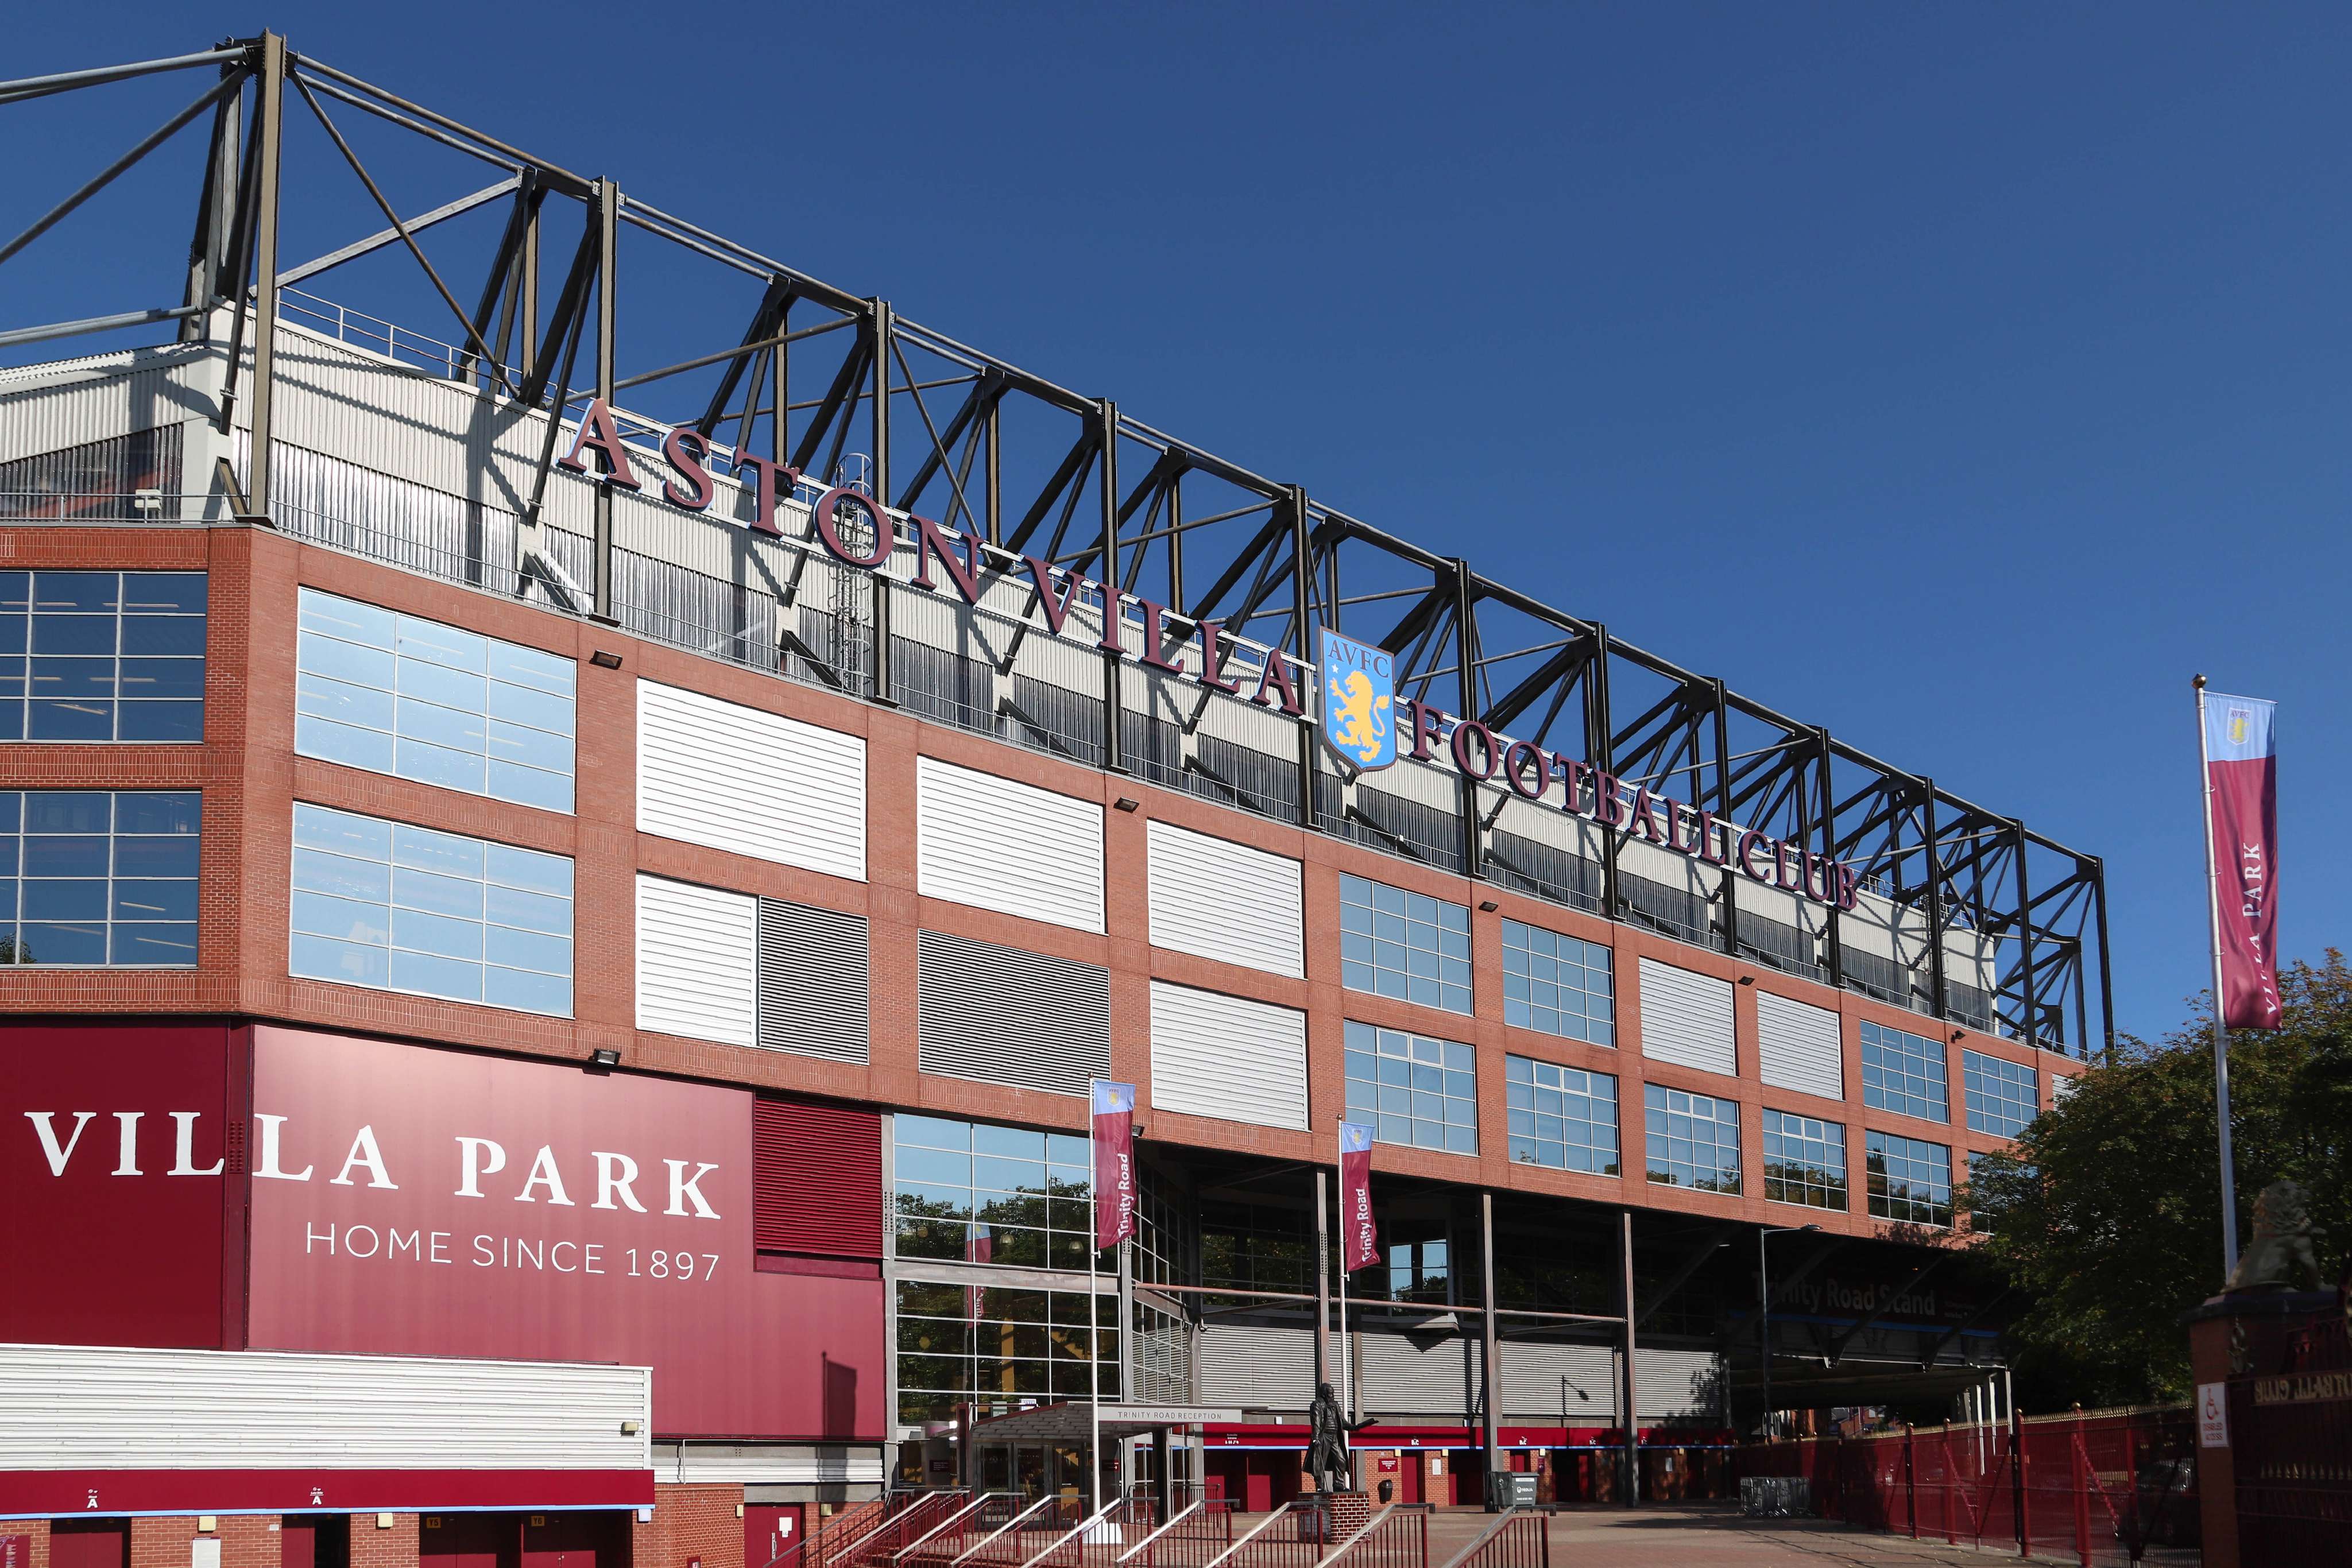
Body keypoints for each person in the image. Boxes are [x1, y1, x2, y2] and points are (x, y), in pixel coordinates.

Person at [1306, 1380, 1377, 1496]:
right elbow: (1316, 1422)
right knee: (1319, 1463)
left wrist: (1359, 1426)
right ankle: (1320, 1487)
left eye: (1333, 1394)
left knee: (1341, 1460)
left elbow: (1343, 1423)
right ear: (1324, 1394)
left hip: (1335, 1437)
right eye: (1330, 1394)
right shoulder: (1317, 1404)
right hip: (1324, 1437)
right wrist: (1316, 1437)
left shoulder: (1335, 1405)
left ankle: (1338, 1485)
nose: (1332, 1396)